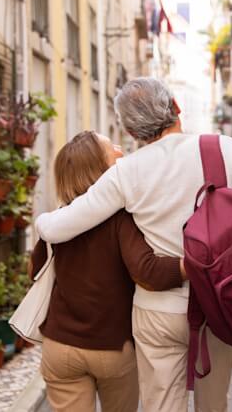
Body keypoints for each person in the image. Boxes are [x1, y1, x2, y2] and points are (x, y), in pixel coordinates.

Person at [36, 77, 232, 412]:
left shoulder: (126, 172)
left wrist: (40, 222)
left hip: (157, 311)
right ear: (177, 107)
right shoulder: (225, 150)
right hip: (218, 304)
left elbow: (61, 227)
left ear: (132, 132)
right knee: (214, 406)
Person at [30, 130, 185, 412]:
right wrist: (190, 265)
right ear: (100, 169)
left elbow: (35, 272)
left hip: (60, 345)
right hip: (113, 347)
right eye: (110, 147)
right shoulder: (121, 220)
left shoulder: (57, 220)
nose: (120, 149)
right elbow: (147, 271)